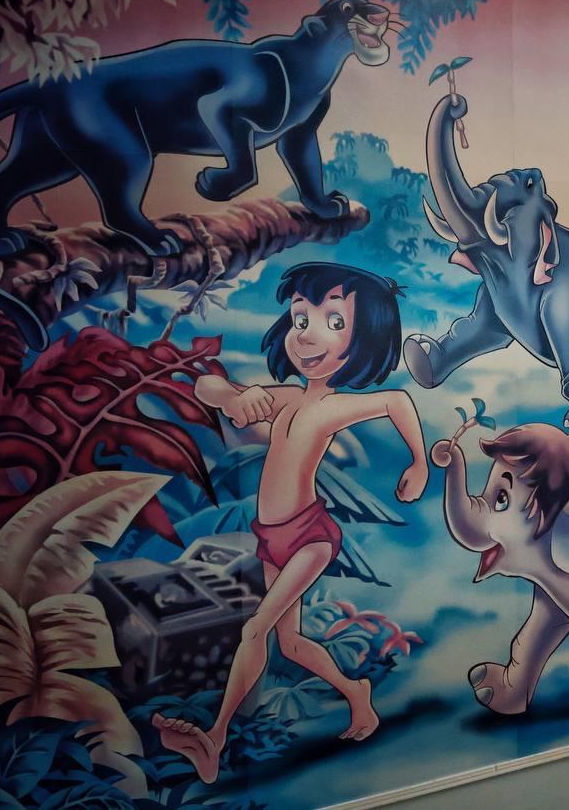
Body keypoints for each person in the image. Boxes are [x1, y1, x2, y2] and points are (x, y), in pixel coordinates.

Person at [152, 262, 428, 784]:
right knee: (292, 643)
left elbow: (398, 400)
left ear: (362, 341)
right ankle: (357, 696)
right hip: (271, 538)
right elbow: (207, 387)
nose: (308, 334)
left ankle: (214, 738)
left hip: (309, 537)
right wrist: (234, 396)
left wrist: (419, 463)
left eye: (334, 322)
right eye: (301, 319)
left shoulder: (332, 409)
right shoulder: (286, 400)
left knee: (255, 629)